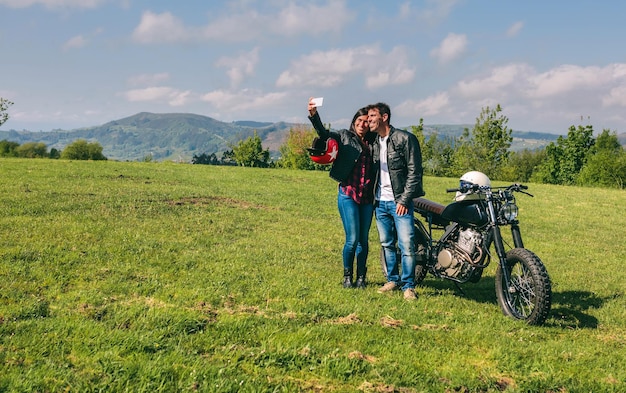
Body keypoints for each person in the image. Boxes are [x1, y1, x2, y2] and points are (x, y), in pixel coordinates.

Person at [308, 98, 377, 289]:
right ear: (354, 121)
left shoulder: (374, 143)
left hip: (367, 197)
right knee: (353, 239)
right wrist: (314, 116)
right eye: (359, 121)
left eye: (366, 121)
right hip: (349, 194)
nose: (362, 124)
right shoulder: (345, 136)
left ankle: (361, 278)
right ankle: (347, 277)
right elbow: (323, 134)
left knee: (364, 240)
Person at [367, 102, 424, 301]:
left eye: (373, 116)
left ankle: (408, 286)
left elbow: (414, 173)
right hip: (380, 202)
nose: (369, 120)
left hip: (400, 202)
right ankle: (392, 279)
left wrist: (404, 200)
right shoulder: (374, 142)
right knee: (387, 243)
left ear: (384, 117)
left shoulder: (405, 139)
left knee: (407, 245)